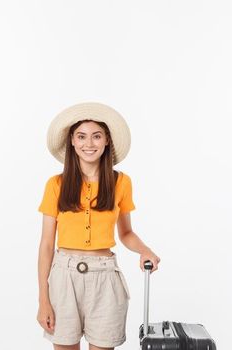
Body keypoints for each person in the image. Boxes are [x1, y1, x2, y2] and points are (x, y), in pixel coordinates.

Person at [37, 102, 161, 350]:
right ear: (72, 141)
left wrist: (145, 250)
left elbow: (125, 233)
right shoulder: (56, 184)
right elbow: (47, 244)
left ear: (107, 141)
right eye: (81, 137)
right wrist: (43, 299)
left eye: (96, 136)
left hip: (105, 278)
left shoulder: (121, 182)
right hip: (63, 278)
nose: (89, 144)